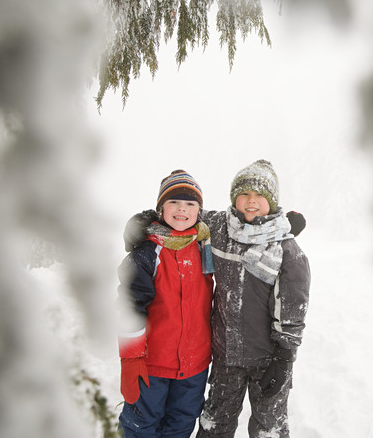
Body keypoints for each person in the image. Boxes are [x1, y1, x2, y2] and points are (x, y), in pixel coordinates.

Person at [123, 160, 310, 437]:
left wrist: (284, 358)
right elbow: (184, 213)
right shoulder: (219, 230)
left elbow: (294, 310)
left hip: (268, 359)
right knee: (214, 426)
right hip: (225, 357)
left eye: (260, 196)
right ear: (234, 199)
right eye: (245, 194)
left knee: (268, 429)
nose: (251, 202)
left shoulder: (286, 249)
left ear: (272, 201)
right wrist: (145, 220)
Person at [117, 169, 215, 438]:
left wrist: (282, 222)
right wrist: (131, 359)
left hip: (193, 367)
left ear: (199, 211)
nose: (181, 209)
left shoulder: (206, 244)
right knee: (140, 426)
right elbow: (129, 308)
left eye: (190, 204)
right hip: (152, 365)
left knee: (181, 425)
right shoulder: (147, 253)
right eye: (173, 202)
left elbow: (244, 227)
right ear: (160, 209)